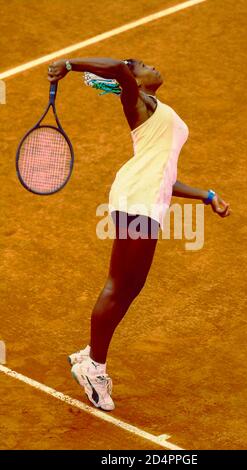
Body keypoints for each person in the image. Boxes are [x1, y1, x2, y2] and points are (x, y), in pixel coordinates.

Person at [48, 57, 231, 411]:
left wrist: (207, 196)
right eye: (142, 65)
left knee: (131, 286)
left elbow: (165, 177)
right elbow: (117, 67)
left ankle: (91, 353)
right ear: (134, 80)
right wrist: (69, 65)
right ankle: (93, 368)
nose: (153, 66)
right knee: (118, 285)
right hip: (137, 201)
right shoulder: (138, 100)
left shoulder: (155, 109)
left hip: (147, 198)